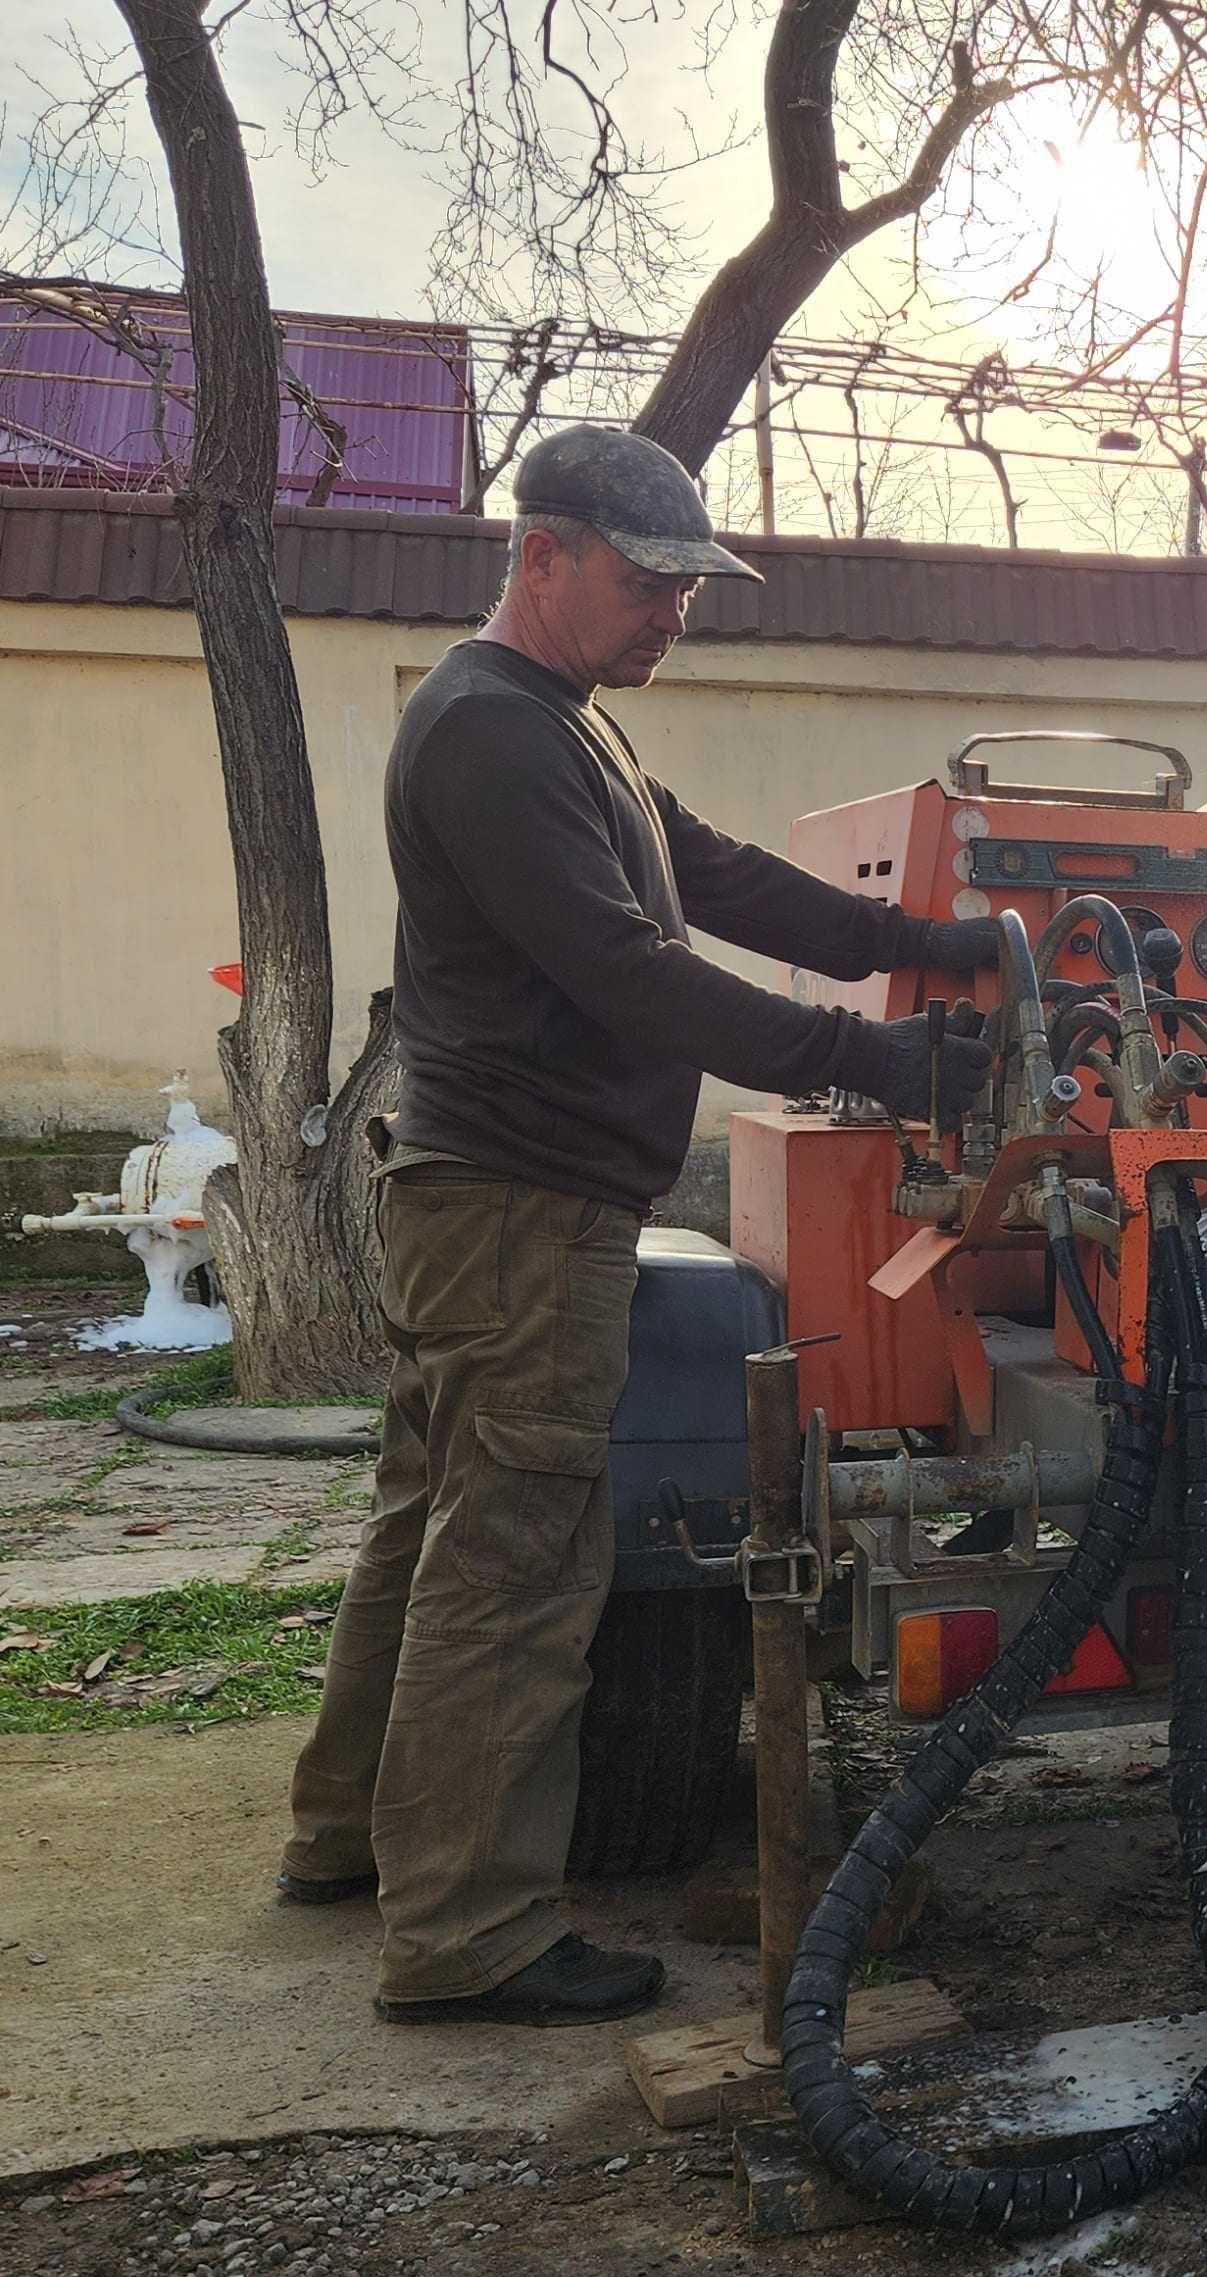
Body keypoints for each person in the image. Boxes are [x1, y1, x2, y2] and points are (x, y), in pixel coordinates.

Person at [278, 426, 998, 2027]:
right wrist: (868, 1059)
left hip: (490, 1204)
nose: (676, 612)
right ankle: (465, 1930)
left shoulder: (558, 724)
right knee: (521, 1566)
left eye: (691, 588)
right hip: (519, 1215)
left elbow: (719, 876)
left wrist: (919, 940)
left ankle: (348, 1838)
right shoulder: (487, 731)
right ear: (544, 556)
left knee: (432, 1528)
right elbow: (634, 972)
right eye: (649, 579)